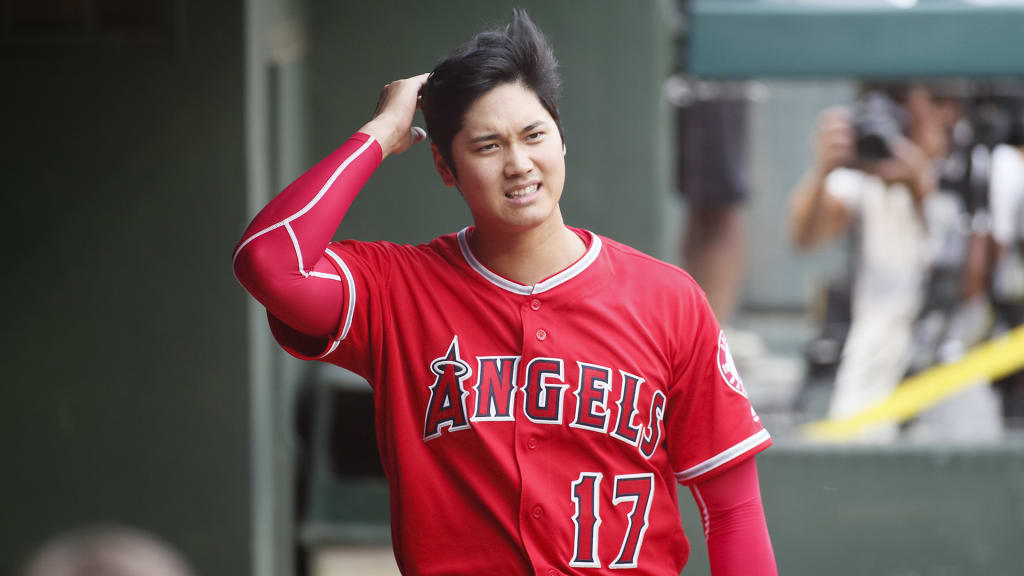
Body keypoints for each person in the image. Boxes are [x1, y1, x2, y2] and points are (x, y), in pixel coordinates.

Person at [233, 10, 776, 575]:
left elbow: (732, 508)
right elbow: (270, 263)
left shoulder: (669, 298)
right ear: (445, 166)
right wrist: (381, 132)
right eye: (488, 146)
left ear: (561, 140)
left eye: (534, 135)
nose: (519, 164)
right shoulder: (394, 290)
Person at [788, 84, 955, 442]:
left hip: (952, 377)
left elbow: (950, 263)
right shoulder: (871, 180)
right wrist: (822, 170)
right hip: (872, 376)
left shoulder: (975, 169)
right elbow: (804, 237)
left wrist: (918, 182)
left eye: (907, 104)